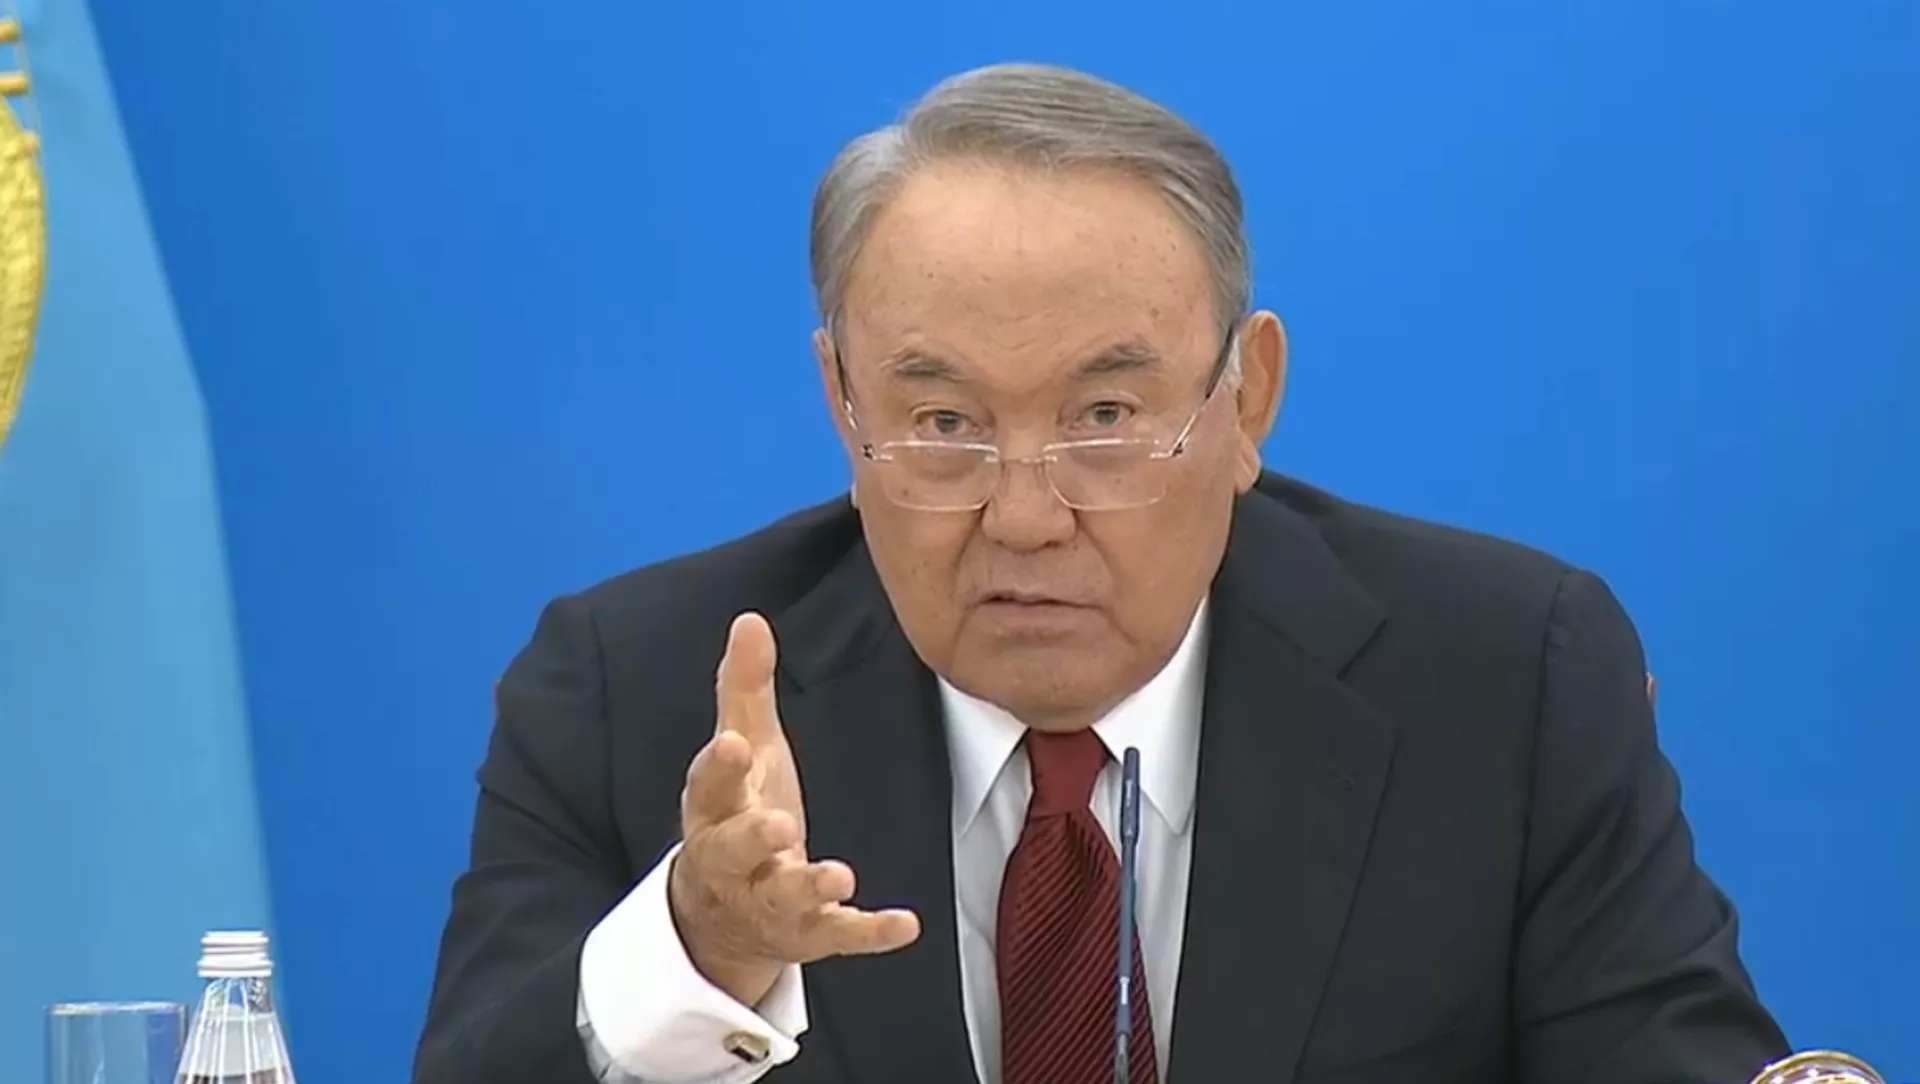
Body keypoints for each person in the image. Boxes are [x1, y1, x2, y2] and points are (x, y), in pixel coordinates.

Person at [412, 63, 1789, 1084]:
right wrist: (697, 952)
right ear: (842, 403)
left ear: (1246, 402)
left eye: (1107, 418)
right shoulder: (634, 693)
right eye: (943, 423)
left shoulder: (1505, 678)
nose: (1025, 517)